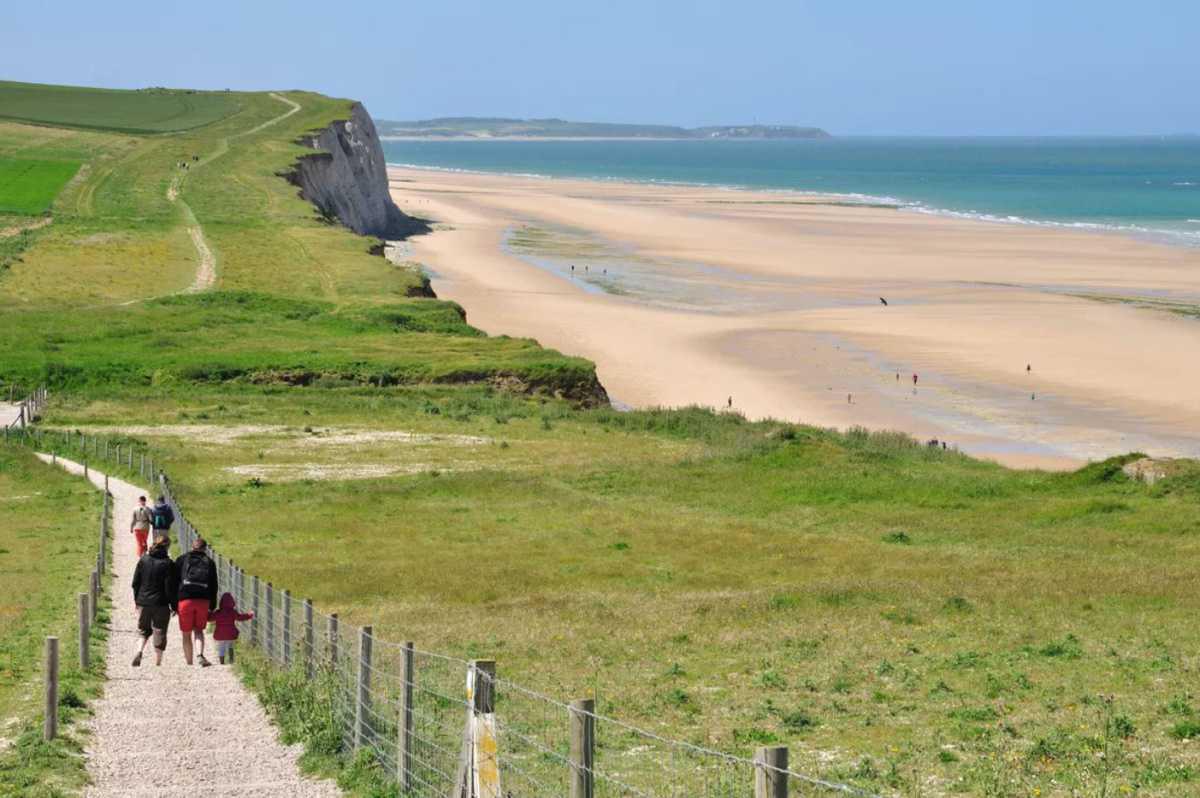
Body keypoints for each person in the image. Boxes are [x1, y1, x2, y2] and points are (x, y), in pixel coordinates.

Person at [131, 535, 176, 667]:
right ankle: (157, 662)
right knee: (160, 630)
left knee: (143, 631)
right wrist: (173, 605)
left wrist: (137, 600)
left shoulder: (143, 559)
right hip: (161, 603)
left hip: (143, 602)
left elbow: (135, 582)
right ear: (167, 546)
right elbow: (170, 587)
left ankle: (139, 651)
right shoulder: (168, 564)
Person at [174, 537, 218, 667]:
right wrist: (212, 605)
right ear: (205, 549)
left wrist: (174, 602)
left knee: (186, 634)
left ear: (192, 547)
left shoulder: (182, 559)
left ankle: (189, 663)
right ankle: (200, 655)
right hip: (203, 601)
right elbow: (214, 586)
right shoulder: (210, 562)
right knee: (198, 630)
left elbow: (173, 581)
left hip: (185, 600)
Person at [208, 592, 254, 665]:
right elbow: (240, 618)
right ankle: (231, 661)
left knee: (221, 648)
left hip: (220, 634)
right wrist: (249, 615)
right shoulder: (233, 612)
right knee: (230, 645)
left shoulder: (218, 612)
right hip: (230, 633)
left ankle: (222, 663)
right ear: (232, 602)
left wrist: (207, 613)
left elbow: (210, 619)